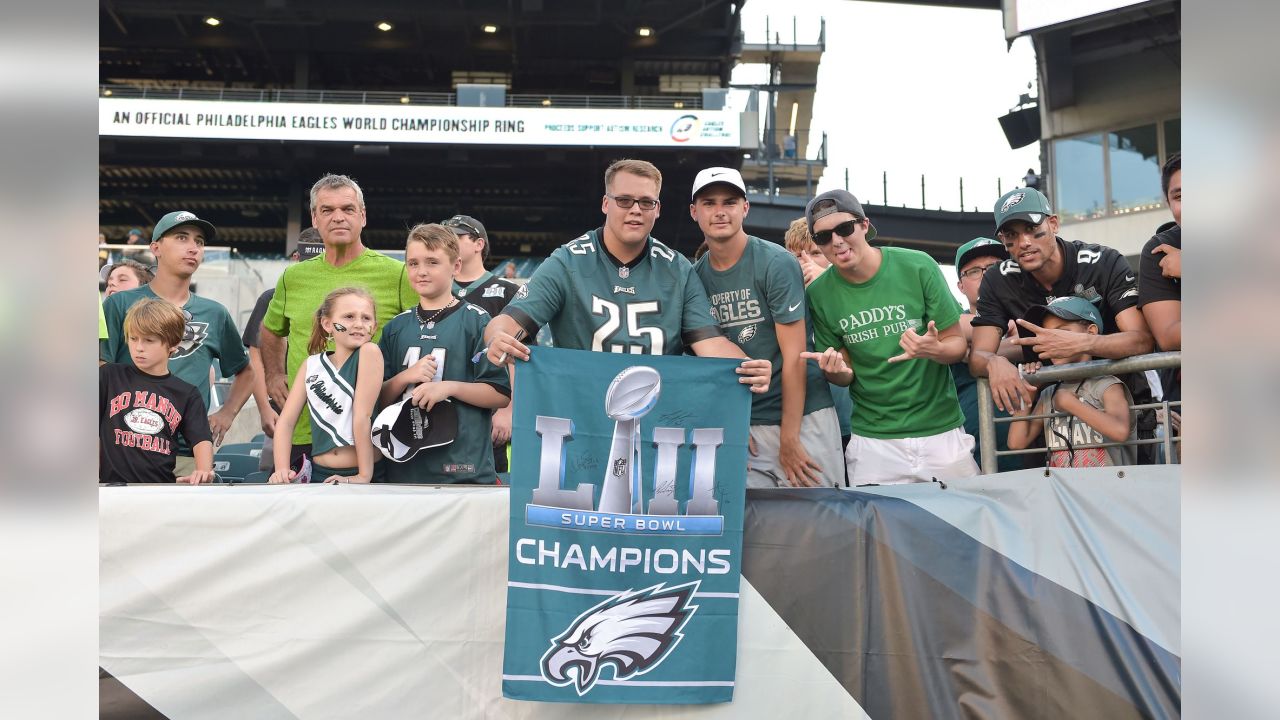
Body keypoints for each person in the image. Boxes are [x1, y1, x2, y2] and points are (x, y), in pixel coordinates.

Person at [483, 159, 772, 395]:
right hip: (581, 406)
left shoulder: (677, 268)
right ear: (605, 204)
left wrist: (748, 366)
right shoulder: (568, 261)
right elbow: (510, 321)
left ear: (657, 210)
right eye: (624, 200)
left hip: (655, 410)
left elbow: (710, 343)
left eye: (646, 202)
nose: (635, 209)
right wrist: (497, 337)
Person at [801, 189, 977, 485]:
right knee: (874, 532)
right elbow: (846, 372)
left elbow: (957, 345)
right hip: (873, 442)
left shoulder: (918, 265)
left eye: (844, 229)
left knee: (966, 523)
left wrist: (933, 348)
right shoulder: (818, 294)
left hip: (940, 432)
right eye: (823, 237)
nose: (836, 241)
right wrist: (835, 372)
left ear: (864, 225)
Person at [690, 167, 843, 488]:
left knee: (823, 525)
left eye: (730, 202)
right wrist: (730, 418)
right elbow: (702, 363)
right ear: (694, 211)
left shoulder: (775, 262)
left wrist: (789, 438)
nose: (720, 211)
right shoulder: (695, 276)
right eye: (709, 203)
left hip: (802, 417)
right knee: (753, 532)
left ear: (745, 207)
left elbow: (795, 356)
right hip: (744, 424)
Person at [260, 173, 417, 468]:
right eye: (327, 210)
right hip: (303, 430)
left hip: (372, 433)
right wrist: (273, 375)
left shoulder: (397, 274)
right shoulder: (293, 276)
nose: (338, 218)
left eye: (347, 209)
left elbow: (424, 331)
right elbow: (270, 330)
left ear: (363, 216)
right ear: (314, 219)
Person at [969, 187, 1154, 416]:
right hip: (1050, 418)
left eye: (1032, 228)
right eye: (1011, 235)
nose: (1024, 242)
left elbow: (1142, 339)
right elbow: (978, 356)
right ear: (1002, 240)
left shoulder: (1103, 262)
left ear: (1053, 224)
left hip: (1122, 409)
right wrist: (994, 362)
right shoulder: (998, 279)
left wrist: (1082, 343)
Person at [101, 211, 254, 477]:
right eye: (182, 238)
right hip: (127, 451)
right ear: (155, 247)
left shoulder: (215, 312)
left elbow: (246, 369)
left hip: (188, 453)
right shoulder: (120, 304)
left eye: (199, 241)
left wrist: (227, 413)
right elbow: (100, 369)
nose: (193, 247)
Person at [378, 224, 511, 483]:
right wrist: (405, 377)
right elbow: (376, 399)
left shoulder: (477, 322)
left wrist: (449, 387)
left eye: (432, 262)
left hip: (461, 467)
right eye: (413, 263)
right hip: (403, 468)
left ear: (456, 266)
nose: (422, 271)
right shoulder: (395, 327)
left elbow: (499, 393)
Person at [269, 287, 384, 484]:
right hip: (320, 473)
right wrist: (281, 469)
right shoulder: (311, 365)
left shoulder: (369, 353)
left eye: (366, 318)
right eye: (349, 316)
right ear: (328, 324)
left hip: (361, 473)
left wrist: (363, 476)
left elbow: (362, 417)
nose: (358, 324)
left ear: (374, 326)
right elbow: (286, 422)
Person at [1007, 297, 1136, 467]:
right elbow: (1016, 443)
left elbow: (1120, 431)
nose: (1050, 341)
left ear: (1090, 332)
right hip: (1064, 491)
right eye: (1044, 335)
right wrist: (1029, 390)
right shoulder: (1049, 393)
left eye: (1061, 332)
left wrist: (1071, 404)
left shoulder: (1108, 385)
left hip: (1108, 490)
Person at [100, 298, 215, 484]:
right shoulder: (109, 376)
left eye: (149, 340)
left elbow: (201, 438)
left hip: (160, 492)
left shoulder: (186, 393)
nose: (138, 347)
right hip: (111, 490)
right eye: (133, 338)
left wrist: (203, 471)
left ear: (173, 344)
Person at [440, 214, 523, 474]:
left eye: (457, 235)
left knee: (488, 487)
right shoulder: (436, 287)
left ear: (478, 244)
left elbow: (518, 355)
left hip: (488, 406)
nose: (448, 241)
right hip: (444, 407)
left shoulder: (507, 291)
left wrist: (507, 410)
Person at [242, 228, 322, 471]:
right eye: (307, 259)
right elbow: (254, 354)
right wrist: (265, 408)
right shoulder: (273, 297)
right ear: (295, 258)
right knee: (279, 476)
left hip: (329, 411)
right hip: (285, 410)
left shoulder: (344, 298)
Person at [784, 215, 853, 459]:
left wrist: (826, 282)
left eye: (814, 254)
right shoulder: (780, 298)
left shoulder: (849, 289)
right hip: (798, 422)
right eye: (795, 256)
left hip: (851, 422)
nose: (804, 263)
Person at [951, 237, 1021, 472]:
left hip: (1033, 453)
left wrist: (974, 352)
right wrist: (1010, 340)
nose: (985, 275)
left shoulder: (1033, 311)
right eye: (973, 271)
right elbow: (948, 329)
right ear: (960, 286)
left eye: (994, 267)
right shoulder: (951, 323)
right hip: (971, 455)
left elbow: (1038, 342)